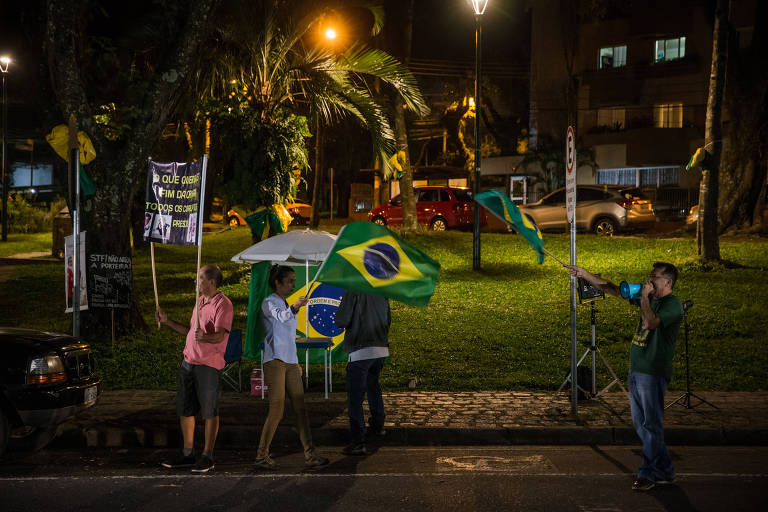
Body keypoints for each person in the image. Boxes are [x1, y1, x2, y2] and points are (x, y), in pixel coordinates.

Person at [567, 262, 683, 491]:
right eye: (650, 275)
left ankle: (648, 474)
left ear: (667, 282)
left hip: (653, 373)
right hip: (637, 370)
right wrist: (584, 274)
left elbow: (650, 323)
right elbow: (612, 288)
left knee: (651, 426)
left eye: (655, 276)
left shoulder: (672, 305)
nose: (650, 280)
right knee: (641, 425)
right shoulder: (649, 296)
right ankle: (666, 472)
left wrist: (644, 298)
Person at [156, 264, 233, 473]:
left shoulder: (223, 305)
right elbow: (191, 331)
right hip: (188, 362)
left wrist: (205, 337)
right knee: (185, 409)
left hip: (208, 365)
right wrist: (167, 321)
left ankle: (208, 455)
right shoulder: (199, 301)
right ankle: (187, 453)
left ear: (211, 282)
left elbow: (220, 335)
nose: (195, 281)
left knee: (209, 411)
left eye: (199, 278)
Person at [253, 265, 329, 470]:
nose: (293, 285)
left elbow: (287, 333)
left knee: (300, 408)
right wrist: (295, 306)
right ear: (277, 283)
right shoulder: (269, 303)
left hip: (290, 362)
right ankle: (261, 454)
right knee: (277, 410)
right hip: (275, 362)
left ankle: (310, 454)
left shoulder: (285, 303)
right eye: (290, 281)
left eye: (294, 281)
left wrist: (296, 363)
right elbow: (281, 317)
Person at [335, 291, 391, 456]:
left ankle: (358, 441)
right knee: (373, 386)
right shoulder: (381, 290)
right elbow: (388, 320)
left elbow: (341, 320)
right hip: (380, 347)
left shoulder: (352, 291)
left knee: (355, 397)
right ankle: (378, 426)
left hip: (360, 349)